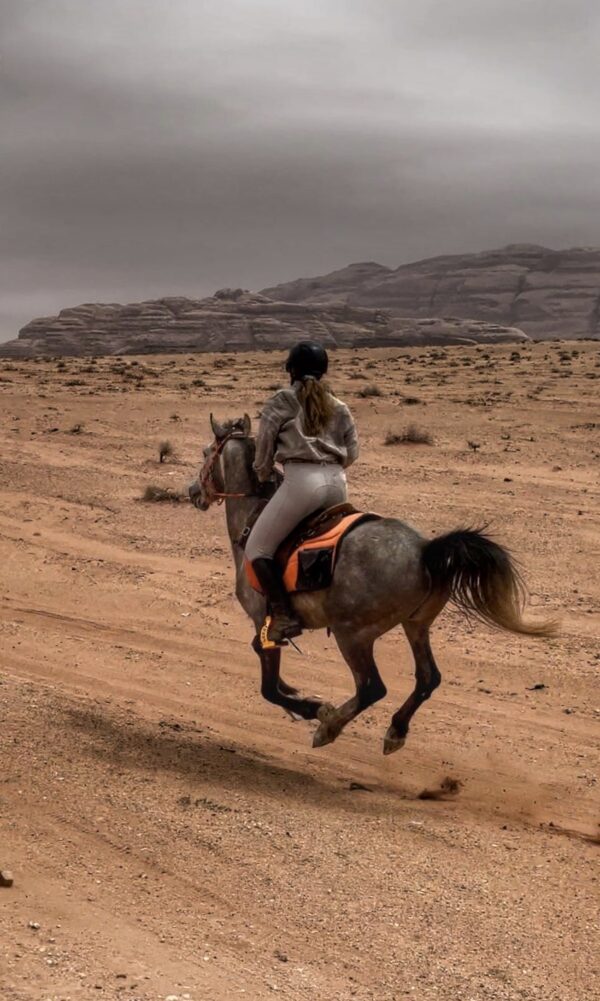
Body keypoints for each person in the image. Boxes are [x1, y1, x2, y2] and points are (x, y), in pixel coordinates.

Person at [246, 340, 359, 646]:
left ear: (291, 370)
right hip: (338, 483)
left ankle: (283, 616)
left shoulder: (282, 400)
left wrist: (263, 473)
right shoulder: (339, 405)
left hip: (301, 482)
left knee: (258, 549)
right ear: (323, 371)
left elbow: (263, 449)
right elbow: (352, 453)